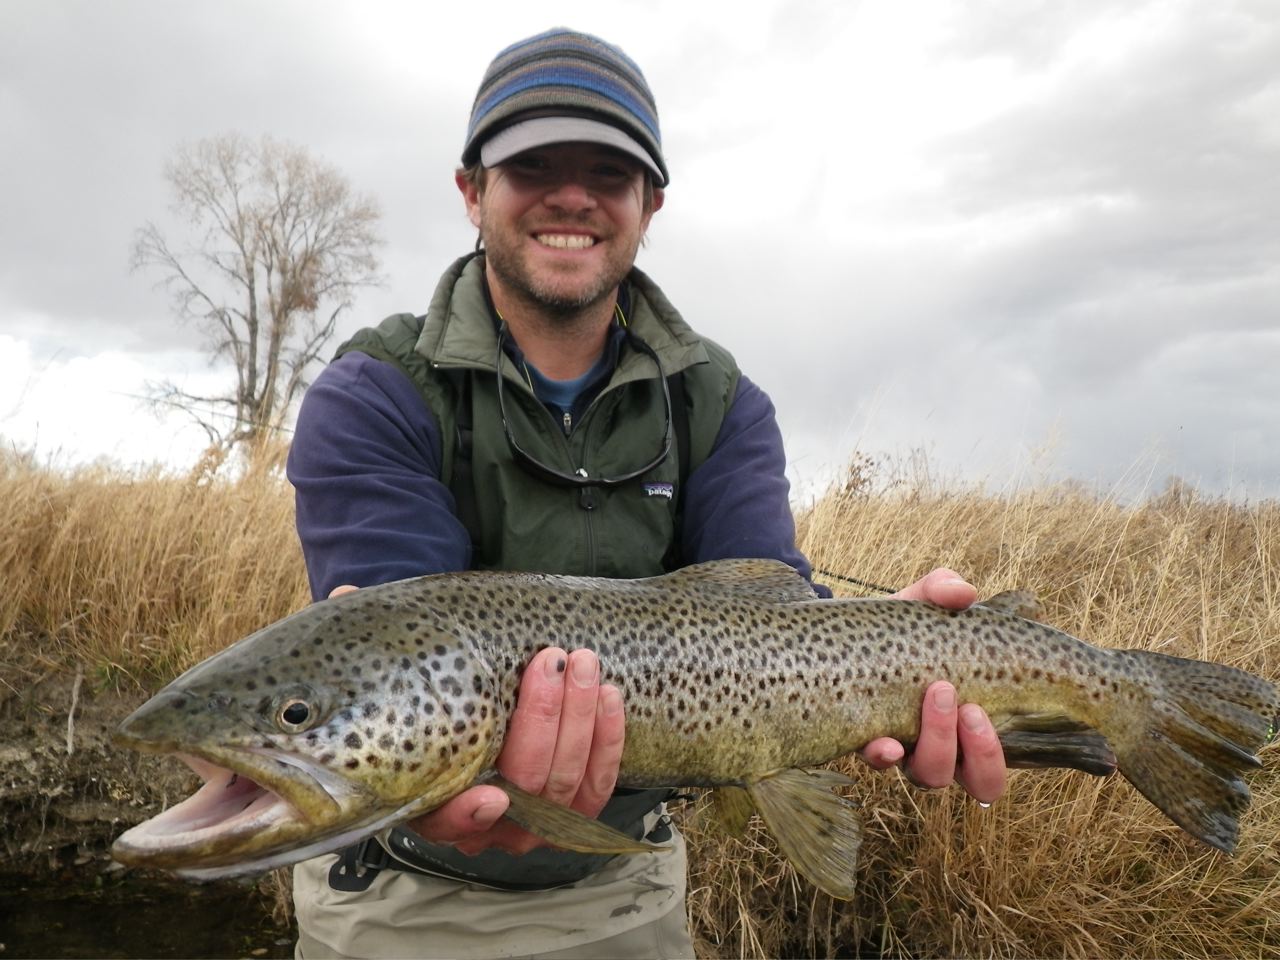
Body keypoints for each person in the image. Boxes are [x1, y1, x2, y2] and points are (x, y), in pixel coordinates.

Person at [284, 27, 1006, 960]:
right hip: (400, 897)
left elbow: (773, 615)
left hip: (627, 884)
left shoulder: (722, 401)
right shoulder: (375, 392)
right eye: (533, 163)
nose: (573, 194)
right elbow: (402, 660)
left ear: (649, 202)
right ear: (473, 190)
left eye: (610, 172)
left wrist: (899, 651)